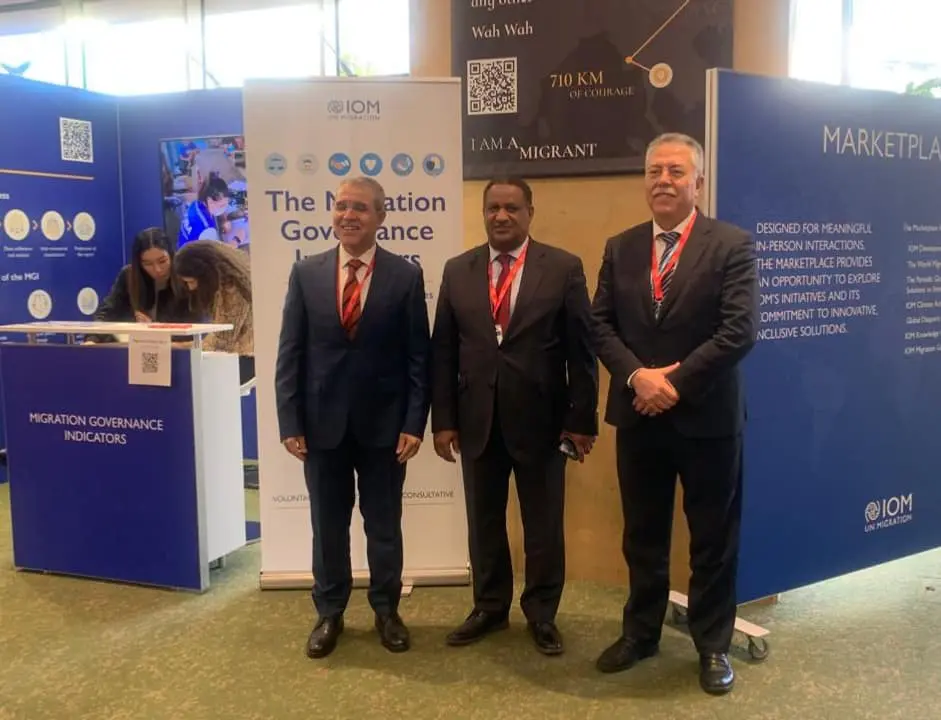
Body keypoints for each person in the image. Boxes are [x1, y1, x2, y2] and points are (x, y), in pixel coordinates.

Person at [589, 132, 759, 695]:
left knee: (713, 538)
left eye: (676, 171)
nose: (664, 180)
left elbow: (739, 331)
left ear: (698, 183)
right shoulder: (621, 247)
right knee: (642, 535)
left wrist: (672, 384)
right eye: (655, 171)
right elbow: (599, 325)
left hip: (708, 420)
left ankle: (713, 645)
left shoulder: (731, 244)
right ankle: (641, 633)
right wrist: (638, 377)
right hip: (639, 415)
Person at [431, 177, 598, 656]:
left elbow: (581, 352)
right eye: (493, 208)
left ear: (529, 213)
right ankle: (489, 607)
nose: (501, 216)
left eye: (511, 208)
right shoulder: (458, 270)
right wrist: (444, 420)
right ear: (484, 213)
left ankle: (542, 613)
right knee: (483, 521)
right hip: (477, 419)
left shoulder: (563, 267)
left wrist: (580, 421)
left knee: (542, 525)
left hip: (543, 422)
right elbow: (443, 350)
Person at [275, 176, 431, 659]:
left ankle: (387, 611)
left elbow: (418, 359)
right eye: (341, 206)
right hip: (321, 427)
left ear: (380, 216)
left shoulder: (406, 276)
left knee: (383, 526)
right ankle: (330, 612)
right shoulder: (306, 273)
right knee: (328, 526)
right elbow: (290, 352)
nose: (348, 215)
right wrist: (289, 422)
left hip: (386, 428)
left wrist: (414, 423)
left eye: (360, 208)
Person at [87, 226, 194, 343]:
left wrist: (154, 328)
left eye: (162, 261)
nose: (157, 269)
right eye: (148, 264)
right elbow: (108, 312)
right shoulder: (128, 276)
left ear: (171, 255)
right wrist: (92, 339)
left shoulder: (187, 278)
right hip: (136, 345)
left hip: (176, 348)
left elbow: (195, 327)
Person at [174, 239, 254, 384]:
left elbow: (221, 342)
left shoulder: (231, 290)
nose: (191, 288)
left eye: (192, 282)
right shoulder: (234, 277)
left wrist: (176, 347)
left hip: (243, 363)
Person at [178, 172, 231, 248]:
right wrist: (237, 240)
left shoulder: (196, 204)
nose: (224, 208)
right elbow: (217, 253)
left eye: (226, 204)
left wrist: (224, 219)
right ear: (210, 201)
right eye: (222, 205)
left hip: (183, 247)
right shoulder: (207, 230)